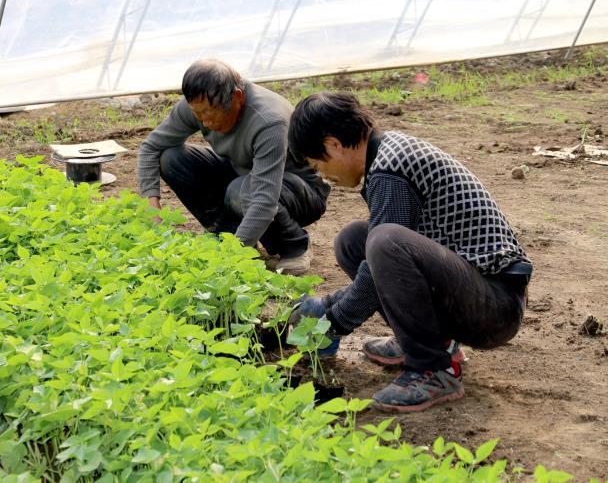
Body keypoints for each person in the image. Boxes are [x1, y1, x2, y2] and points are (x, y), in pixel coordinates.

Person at [287, 91, 532, 412]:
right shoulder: (387, 154)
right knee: (354, 240)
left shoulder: (390, 169)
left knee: (383, 242)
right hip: (476, 293)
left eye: (318, 164)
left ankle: (433, 368)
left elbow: (381, 265)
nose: (323, 175)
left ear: (334, 144)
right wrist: (330, 305)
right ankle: (424, 341)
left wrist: (333, 323)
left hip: (494, 308)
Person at [137, 59, 330, 274]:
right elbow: (150, 148)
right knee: (171, 158)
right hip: (244, 178)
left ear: (237, 97)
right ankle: (232, 237)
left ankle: (294, 246)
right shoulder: (201, 104)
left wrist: (227, 262)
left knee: (243, 192)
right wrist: (152, 212)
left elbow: (264, 200)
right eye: (198, 114)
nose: (205, 122)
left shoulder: (268, 121)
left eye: (209, 114)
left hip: (298, 190)